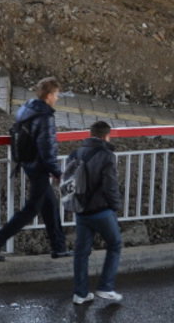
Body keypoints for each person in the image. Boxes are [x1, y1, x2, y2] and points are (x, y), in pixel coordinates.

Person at [0, 77, 71, 262]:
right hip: (39, 167)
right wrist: (58, 172)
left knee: (50, 205)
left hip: (27, 163)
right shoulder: (45, 117)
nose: (57, 98)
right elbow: (47, 148)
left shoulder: (27, 108)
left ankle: (59, 247)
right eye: (56, 95)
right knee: (31, 210)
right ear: (49, 96)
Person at [71, 121, 123, 305]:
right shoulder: (107, 156)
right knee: (115, 244)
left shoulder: (77, 153)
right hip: (101, 211)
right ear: (106, 136)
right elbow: (110, 187)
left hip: (81, 211)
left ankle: (80, 293)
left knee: (81, 252)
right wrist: (115, 206)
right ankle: (106, 287)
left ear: (90, 133)